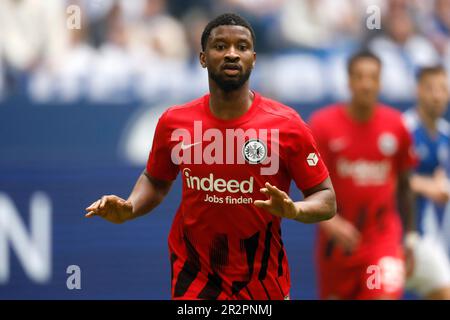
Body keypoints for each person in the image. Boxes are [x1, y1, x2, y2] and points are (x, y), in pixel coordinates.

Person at [85, 13, 336, 300]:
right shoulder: (174, 122)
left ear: (253, 58)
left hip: (264, 288)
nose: (231, 54)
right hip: (195, 284)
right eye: (220, 46)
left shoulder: (287, 125)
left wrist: (295, 210)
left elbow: (326, 199)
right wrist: (130, 207)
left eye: (241, 47)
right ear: (203, 58)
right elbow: (156, 180)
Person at [309, 50, 416, 299]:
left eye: (373, 78)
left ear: (380, 82)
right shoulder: (323, 125)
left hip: (382, 240)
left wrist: (410, 238)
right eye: (359, 77)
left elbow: (405, 185)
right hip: (337, 246)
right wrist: (330, 223)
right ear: (348, 81)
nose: (366, 84)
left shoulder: (396, 125)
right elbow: (308, 186)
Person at [402, 66, 450, 299]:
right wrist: (426, 186)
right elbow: (389, 178)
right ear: (418, 91)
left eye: (443, 89)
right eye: (431, 88)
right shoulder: (403, 128)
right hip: (397, 233)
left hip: (430, 235)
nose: (437, 95)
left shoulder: (446, 134)